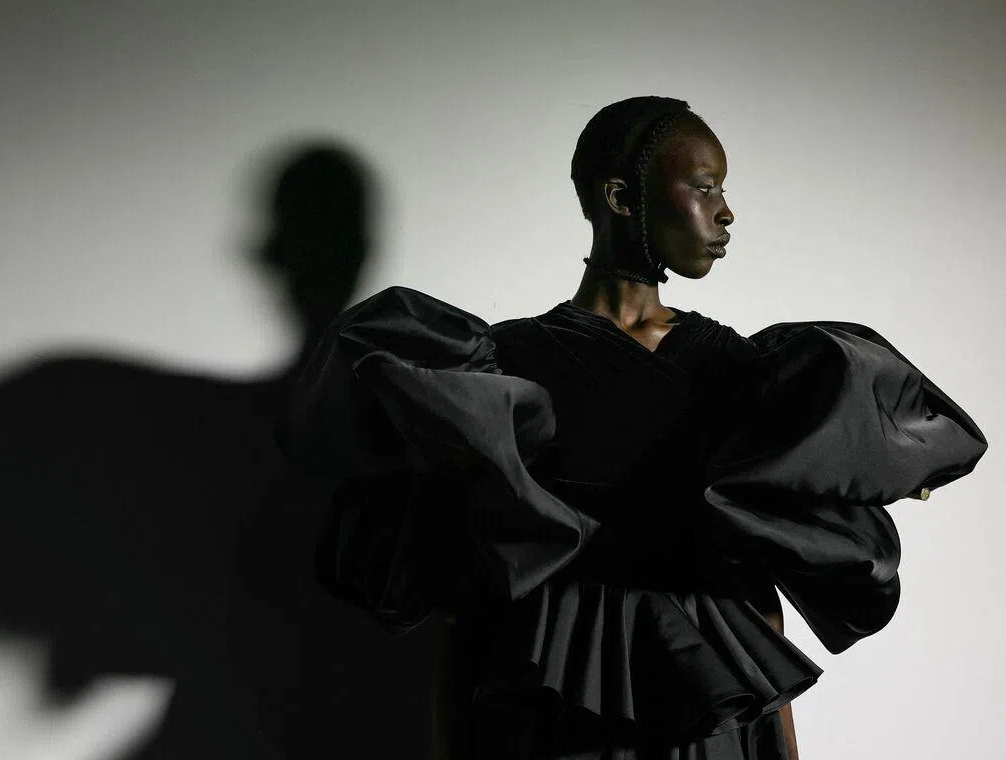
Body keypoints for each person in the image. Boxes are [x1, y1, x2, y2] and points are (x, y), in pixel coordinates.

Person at [275, 97, 987, 760]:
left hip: (706, 706)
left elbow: (757, 602)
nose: (727, 213)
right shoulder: (500, 369)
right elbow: (470, 603)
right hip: (545, 703)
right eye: (705, 188)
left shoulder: (743, 372)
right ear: (621, 198)